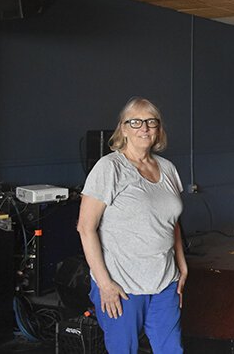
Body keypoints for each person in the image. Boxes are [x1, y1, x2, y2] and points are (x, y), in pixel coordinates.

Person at [77, 97, 188, 353]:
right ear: (123, 128)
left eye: (151, 122)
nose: (144, 128)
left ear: (158, 128)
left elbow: (172, 223)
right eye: (135, 122)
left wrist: (182, 267)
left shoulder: (168, 169)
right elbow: (85, 227)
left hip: (164, 283)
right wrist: (105, 285)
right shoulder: (109, 168)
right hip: (122, 286)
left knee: (172, 349)